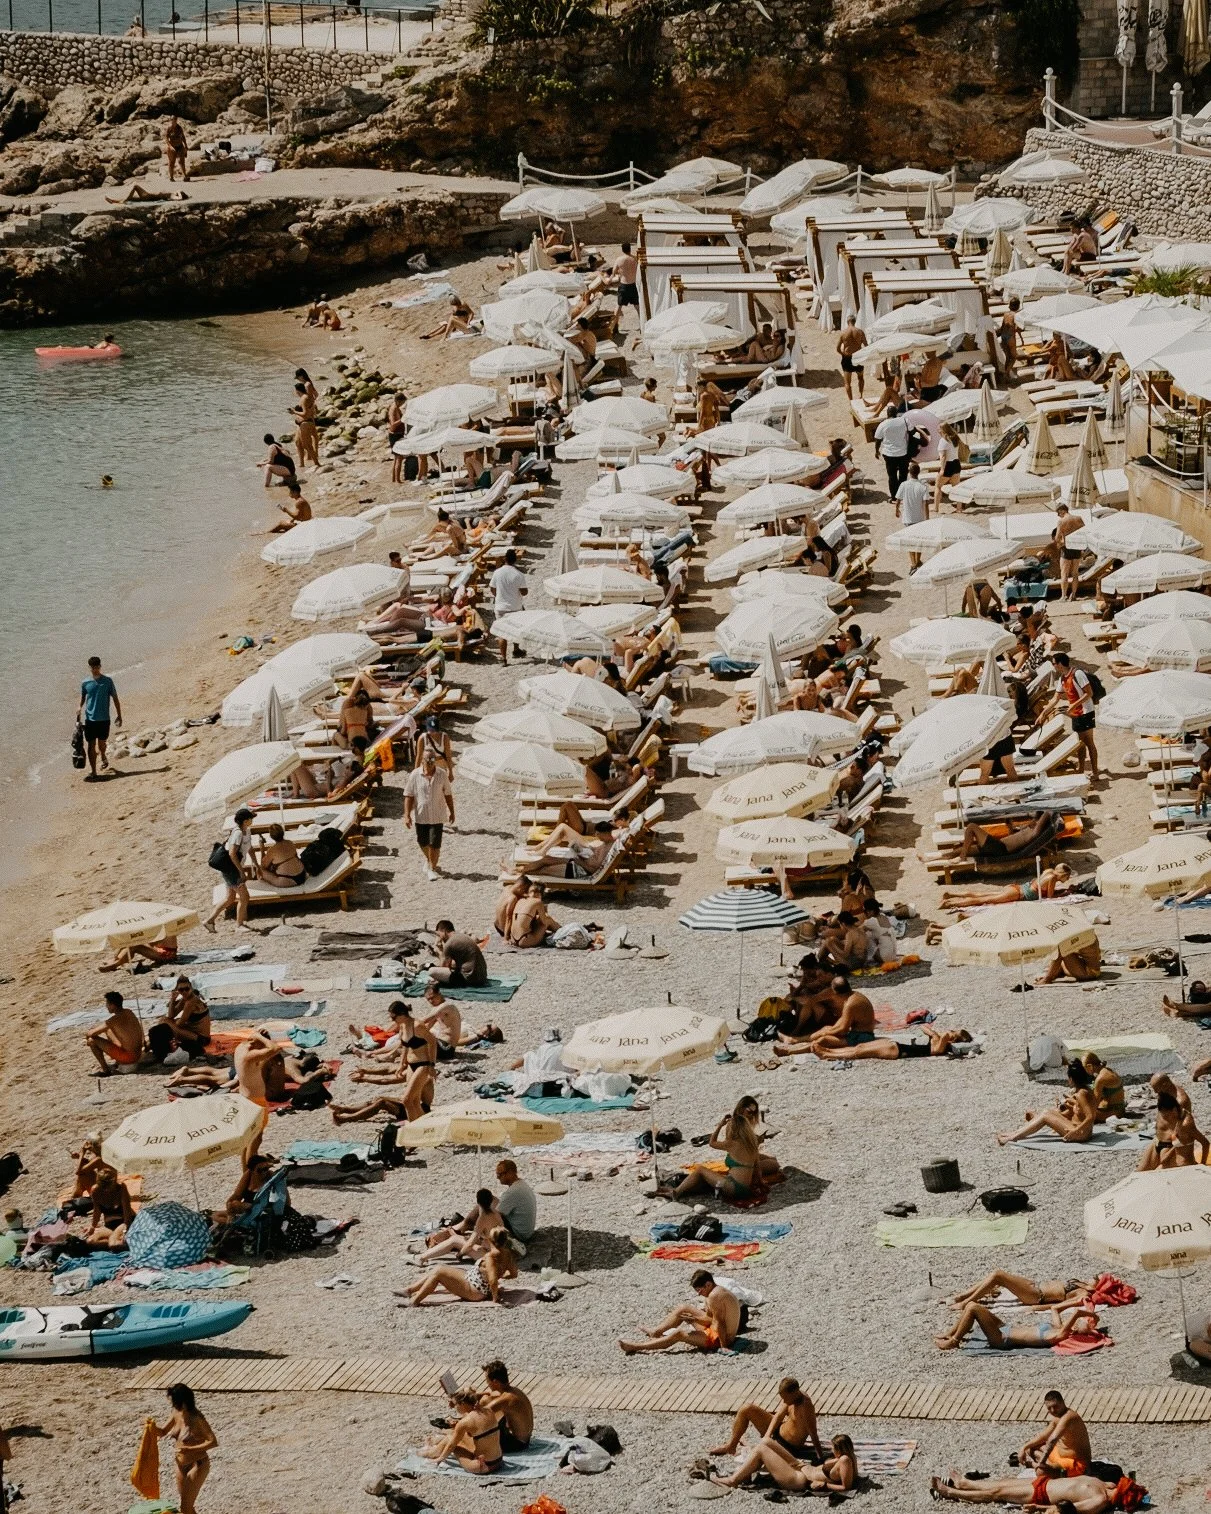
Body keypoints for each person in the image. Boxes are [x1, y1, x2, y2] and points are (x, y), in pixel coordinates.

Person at [658, 1096, 773, 1201]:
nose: (752, 1115)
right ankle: (679, 1189)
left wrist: (720, 1125)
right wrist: (760, 1182)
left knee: (700, 1170)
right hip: (745, 1190)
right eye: (750, 1111)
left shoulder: (732, 1142)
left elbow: (712, 1143)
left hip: (734, 1188)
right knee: (772, 1162)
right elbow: (757, 1166)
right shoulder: (752, 1143)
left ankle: (676, 1193)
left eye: (754, 1112)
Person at [619, 1269, 742, 1353]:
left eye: (700, 1290)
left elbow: (720, 1322)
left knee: (679, 1334)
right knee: (683, 1308)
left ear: (708, 1284)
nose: (699, 1293)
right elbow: (711, 1319)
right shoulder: (714, 1291)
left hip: (721, 1337)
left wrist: (724, 1347)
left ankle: (636, 1347)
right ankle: (655, 1332)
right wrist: (694, 1319)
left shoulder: (715, 1296)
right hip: (714, 1328)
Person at [710, 1376, 825, 1460]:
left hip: (787, 1446)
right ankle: (731, 1446)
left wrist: (820, 1457)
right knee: (746, 1408)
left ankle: (750, 1446)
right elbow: (778, 1416)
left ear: (795, 1392)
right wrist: (767, 1436)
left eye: (786, 1398)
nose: (784, 1401)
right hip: (778, 1431)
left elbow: (813, 1434)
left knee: (756, 1457)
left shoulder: (806, 1408)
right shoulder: (792, 1398)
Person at [401, 1226, 518, 1306]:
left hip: (475, 1290)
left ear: (491, 1240)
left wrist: (495, 1297)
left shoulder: (491, 1257)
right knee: (439, 1269)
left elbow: (492, 1280)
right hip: (476, 1282)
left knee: (439, 1272)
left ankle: (414, 1301)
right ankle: (409, 1290)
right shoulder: (506, 1253)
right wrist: (501, 1275)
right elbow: (513, 1274)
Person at [711, 1433, 857, 1494]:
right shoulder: (846, 1457)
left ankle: (733, 1480)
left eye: (833, 1448)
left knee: (762, 1450)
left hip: (800, 1479)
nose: (831, 1450)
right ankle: (749, 1459)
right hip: (802, 1467)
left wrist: (824, 1485)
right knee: (766, 1441)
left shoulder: (844, 1460)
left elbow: (846, 1487)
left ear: (840, 1449)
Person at [997, 1059, 1098, 1145]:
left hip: (1080, 1133)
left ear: (1071, 1079)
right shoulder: (1087, 1090)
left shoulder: (1081, 1094)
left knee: (1045, 1115)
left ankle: (1014, 1137)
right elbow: (1084, 1111)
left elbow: (1090, 1116)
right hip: (1082, 1131)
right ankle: (1015, 1133)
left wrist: (1075, 1132)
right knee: (1048, 1111)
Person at [935, 1301, 1101, 1352]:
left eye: (1083, 1323)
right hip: (1006, 1327)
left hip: (1002, 1339)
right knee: (973, 1305)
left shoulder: (1061, 1335)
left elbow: (1076, 1314)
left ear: (1079, 1330)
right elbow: (1054, 1308)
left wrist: (1090, 1315)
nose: (1082, 1320)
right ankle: (950, 1333)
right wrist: (1078, 1301)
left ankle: (955, 1341)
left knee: (973, 1308)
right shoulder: (1058, 1327)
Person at [155, 1384, 218, 1514]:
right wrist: (150, 1428)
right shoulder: (176, 1413)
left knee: (185, 1507)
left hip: (197, 1464)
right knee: (187, 1507)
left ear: (183, 1403)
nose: (173, 1405)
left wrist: (191, 1449)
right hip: (179, 1464)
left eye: (175, 1402)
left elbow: (212, 1442)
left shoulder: (197, 1419)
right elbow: (162, 1432)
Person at [930, 1471, 1118, 1509]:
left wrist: (1039, 1508)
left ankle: (951, 1492)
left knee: (998, 1494)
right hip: (1046, 1482)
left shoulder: (1100, 1500)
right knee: (1003, 1484)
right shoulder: (1107, 1486)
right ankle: (966, 1484)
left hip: (1043, 1495)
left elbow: (1068, 1510)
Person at [420, 1389, 505, 1474]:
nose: (454, 1407)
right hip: (498, 1461)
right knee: (457, 1436)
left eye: (455, 1404)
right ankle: (432, 1449)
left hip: (482, 1466)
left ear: (462, 1404)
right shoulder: (488, 1410)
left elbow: (451, 1445)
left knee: (452, 1441)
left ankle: (430, 1454)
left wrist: (440, 1459)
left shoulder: (465, 1422)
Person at [404, 749, 455, 881]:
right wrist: (407, 815)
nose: (431, 762)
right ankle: (428, 860)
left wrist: (452, 811)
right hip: (421, 815)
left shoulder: (442, 774)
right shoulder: (414, 775)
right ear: (422, 760)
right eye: (428, 759)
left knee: (435, 844)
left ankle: (432, 868)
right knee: (422, 841)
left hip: (437, 814)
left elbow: (448, 794)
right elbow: (409, 796)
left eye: (433, 759)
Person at [1048, 652, 1101, 779]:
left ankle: (1095, 773)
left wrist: (1073, 705)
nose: (1053, 666)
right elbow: (1056, 698)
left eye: (1054, 663)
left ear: (1060, 664)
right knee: (1079, 743)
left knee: (1089, 742)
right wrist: (1045, 713)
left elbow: (1089, 693)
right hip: (1076, 713)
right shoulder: (1063, 678)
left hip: (1085, 712)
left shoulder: (1078, 674)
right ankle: (1081, 769)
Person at [204, 807, 254, 931]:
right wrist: (241, 871)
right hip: (232, 870)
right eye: (250, 818)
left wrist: (256, 864)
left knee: (230, 898)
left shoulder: (246, 831)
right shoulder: (237, 833)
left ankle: (209, 921)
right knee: (244, 897)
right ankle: (239, 925)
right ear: (245, 820)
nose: (252, 820)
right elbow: (232, 853)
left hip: (232, 869)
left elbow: (249, 848)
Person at [941, 863, 1073, 911]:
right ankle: (950, 903)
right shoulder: (1053, 879)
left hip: (1018, 887)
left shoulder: (1048, 871)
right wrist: (1062, 894)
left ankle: (952, 895)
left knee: (983, 895)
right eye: (1067, 877)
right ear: (1064, 874)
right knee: (983, 900)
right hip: (1019, 894)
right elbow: (1049, 897)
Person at [1021, 1391, 1093, 1477]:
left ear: (1062, 1402)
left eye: (1055, 1406)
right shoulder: (1057, 1417)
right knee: (1030, 1448)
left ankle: (1036, 1465)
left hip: (1075, 1463)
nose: (1053, 1410)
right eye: (1049, 1408)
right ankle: (1047, 1465)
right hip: (1059, 1455)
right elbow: (1043, 1436)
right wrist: (1023, 1448)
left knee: (1041, 1472)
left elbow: (1052, 1440)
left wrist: (1041, 1463)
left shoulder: (1069, 1417)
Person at [1138, 1086, 1209, 1169]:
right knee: (1141, 1171)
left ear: (1174, 1110)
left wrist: (1202, 1164)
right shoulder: (1173, 1114)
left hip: (1182, 1164)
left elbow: (1205, 1143)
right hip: (1164, 1149)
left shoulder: (1186, 1124)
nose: (1166, 1120)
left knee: (1154, 1173)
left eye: (1167, 1116)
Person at [812, 1025, 974, 1061]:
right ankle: (829, 1052)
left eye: (954, 1033)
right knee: (859, 1047)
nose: (950, 1031)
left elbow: (937, 1051)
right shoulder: (939, 1038)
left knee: (859, 1053)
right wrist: (935, 1033)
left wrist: (945, 1036)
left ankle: (827, 1054)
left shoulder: (942, 1045)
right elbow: (923, 1027)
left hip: (897, 1051)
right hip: (895, 1045)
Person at [78, 655, 122, 780]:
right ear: (89, 668)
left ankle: (103, 754)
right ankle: (93, 771)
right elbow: (82, 698)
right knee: (91, 745)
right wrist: (79, 707)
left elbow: (115, 698)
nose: (95, 670)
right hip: (90, 719)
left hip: (104, 719)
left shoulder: (108, 681)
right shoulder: (85, 682)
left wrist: (119, 715)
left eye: (97, 667)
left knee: (102, 743)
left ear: (100, 666)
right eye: (93, 668)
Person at [959, 810, 1058, 863]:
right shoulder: (1027, 829)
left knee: (971, 827)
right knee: (961, 849)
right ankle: (945, 856)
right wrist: (1010, 827)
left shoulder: (1032, 833)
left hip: (999, 848)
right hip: (997, 846)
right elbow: (1013, 839)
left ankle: (962, 856)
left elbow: (1045, 815)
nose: (1031, 820)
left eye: (1034, 820)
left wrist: (1046, 813)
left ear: (1038, 822)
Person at [950, 1272, 1093, 1309]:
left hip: (1037, 1296)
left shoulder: (1084, 1294)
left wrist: (1038, 1308)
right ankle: (962, 1296)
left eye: (1097, 1279)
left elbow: (1064, 1305)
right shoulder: (1082, 1283)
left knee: (998, 1275)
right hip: (1034, 1285)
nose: (1094, 1277)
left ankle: (966, 1302)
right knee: (996, 1277)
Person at [85, 990, 144, 1075]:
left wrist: (91, 1032)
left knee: (91, 1040)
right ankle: (116, 1060)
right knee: (108, 1029)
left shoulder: (114, 1020)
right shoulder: (128, 1012)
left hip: (129, 1057)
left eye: (107, 1004)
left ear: (112, 1005)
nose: (106, 1007)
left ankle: (105, 1070)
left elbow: (89, 1034)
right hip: (137, 1053)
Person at [153, 976, 211, 1059]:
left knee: (165, 1023)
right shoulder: (186, 999)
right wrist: (173, 999)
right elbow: (171, 1015)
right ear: (177, 990)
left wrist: (172, 1022)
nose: (184, 992)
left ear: (191, 987)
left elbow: (179, 1023)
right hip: (196, 1033)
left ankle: (164, 1047)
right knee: (165, 1021)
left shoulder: (191, 1002)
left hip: (202, 1039)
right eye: (181, 990)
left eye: (186, 989)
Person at [481, 1360, 533, 1452]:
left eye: (487, 1381)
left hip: (517, 1444)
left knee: (477, 1432)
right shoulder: (514, 1391)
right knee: (486, 1399)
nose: (487, 1383)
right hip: (525, 1439)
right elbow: (492, 1396)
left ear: (495, 1382)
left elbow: (479, 1415)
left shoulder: (506, 1399)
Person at [489, 548, 528, 663]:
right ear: (515, 560)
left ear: (504, 559)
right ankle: (516, 649)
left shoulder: (497, 573)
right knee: (515, 629)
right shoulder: (519, 574)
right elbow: (524, 592)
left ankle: (503, 658)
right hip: (515, 606)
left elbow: (492, 589)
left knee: (502, 633)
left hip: (501, 606)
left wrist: (498, 596)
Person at [431, 919, 488, 987]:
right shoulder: (463, 936)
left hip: (469, 980)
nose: (438, 937)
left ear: (444, 931)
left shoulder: (449, 943)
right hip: (482, 977)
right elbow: (454, 964)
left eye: (438, 934)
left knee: (432, 971)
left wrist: (439, 952)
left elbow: (444, 967)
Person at [895, 461, 930, 568]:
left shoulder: (904, 485)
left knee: (910, 542)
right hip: (919, 518)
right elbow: (926, 504)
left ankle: (913, 563)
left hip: (907, 518)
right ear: (918, 473)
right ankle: (918, 561)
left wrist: (896, 509)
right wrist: (927, 518)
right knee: (919, 542)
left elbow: (898, 500)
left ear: (909, 473)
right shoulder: (923, 487)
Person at [494, 1158, 536, 1245]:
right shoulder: (521, 1184)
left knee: (485, 1205)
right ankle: (465, 1225)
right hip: (527, 1232)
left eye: (500, 1174)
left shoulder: (512, 1192)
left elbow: (495, 1215)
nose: (497, 1177)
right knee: (489, 1200)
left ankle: (466, 1226)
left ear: (510, 1173)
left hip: (519, 1235)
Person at [874, 403, 911, 498]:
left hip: (889, 454)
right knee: (903, 475)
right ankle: (902, 494)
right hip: (903, 452)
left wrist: (876, 451)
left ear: (887, 414)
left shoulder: (883, 424)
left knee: (892, 476)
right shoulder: (904, 421)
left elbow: (878, 439)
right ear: (896, 413)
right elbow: (912, 430)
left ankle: (894, 496)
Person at [419, 981, 462, 1058]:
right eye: (428, 999)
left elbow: (425, 1020)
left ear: (439, 993)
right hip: (441, 1044)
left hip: (447, 1048)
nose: (431, 1001)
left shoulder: (447, 1006)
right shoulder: (437, 1008)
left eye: (432, 998)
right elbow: (428, 1026)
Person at [508, 882, 560, 947]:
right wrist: (544, 911)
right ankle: (563, 931)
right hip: (525, 940)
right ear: (540, 894)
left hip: (513, 939)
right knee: (548, 919)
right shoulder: (537, 902)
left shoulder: (521, 900)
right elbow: (544, 922)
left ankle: (561, 930)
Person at [1082, 1052, 1125, 1120]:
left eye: (1084, 1069)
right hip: (1120, 1108)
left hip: (1114, 1112)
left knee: (1079, 1112)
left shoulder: (1100, 1079)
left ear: (1090, 1066)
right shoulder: (1107, 1070)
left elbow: (1094, 1104)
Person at [935, 422, 964, 509]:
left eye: (939, 429)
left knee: (938, 486)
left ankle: (936, 508)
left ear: (943, 430)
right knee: (956, 487)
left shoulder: (943, 441)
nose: (937, 430)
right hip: (956, 463)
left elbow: (943, 456)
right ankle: (959, 508)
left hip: (948, 465)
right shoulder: (955, 438)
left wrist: (942, 469)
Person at [837, 316, 867, 400]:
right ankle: (861, 395)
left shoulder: (843, 333)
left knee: (847, 383)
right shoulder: (860, 332)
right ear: (855, 322)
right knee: (860, 378)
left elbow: (837, 348)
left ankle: (851, 400)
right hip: (858, 357)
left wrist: (843, 354)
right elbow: (866, 345)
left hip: (847, 358)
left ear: (847, 322)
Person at [291, 381, 320, 468]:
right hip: (304, 423)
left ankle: (317, 463)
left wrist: (294, 412)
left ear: (297, 391)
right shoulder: (307, 397)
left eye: (295, 391)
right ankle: (301, 464)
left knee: (307, 445)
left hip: (305, 424)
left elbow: (305, 414)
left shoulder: (304, 399)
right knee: (298, 442)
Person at [613, 242, 639, 325]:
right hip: (633, 284)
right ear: (630, 249)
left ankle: (615, 325)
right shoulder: (635, 259)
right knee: (637, 306)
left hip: (624, 285)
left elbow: (614, 272)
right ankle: (642, 324)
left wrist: (621, 272)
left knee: (618, 306)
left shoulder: (619, 259)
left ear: (622, 250)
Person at [162, 115, 189, 181]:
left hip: (179, 146)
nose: (173, 121)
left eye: (174, 120)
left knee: (182, 161)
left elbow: (183, 137)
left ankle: (185, 176)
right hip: (172, 146)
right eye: (172, 120)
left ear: (176, 120)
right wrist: (170, 146)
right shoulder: (169, 128)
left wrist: (185, 145)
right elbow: (166, 138)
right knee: (172, 162)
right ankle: (171, 177)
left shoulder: (179, 128)